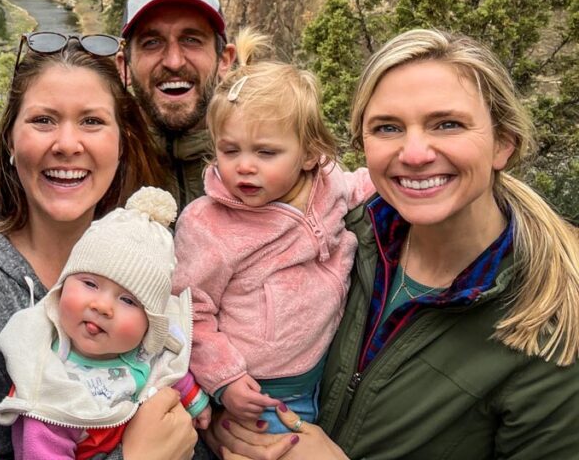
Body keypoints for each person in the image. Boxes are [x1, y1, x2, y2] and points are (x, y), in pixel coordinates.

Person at [208, 29, 579, 460]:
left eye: (448, 124)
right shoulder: (338, 238)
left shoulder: (552, 327)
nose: (416, 152)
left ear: (503, 143)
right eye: (388, 127)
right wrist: (224, 419)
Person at [0, 32, 199, 460]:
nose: (67, 144)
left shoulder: (158, 261)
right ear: (10, 140)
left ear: (122, 145)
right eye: (43, 120)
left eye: (92, 121)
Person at [172, 29, 374, 434]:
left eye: (266, 152)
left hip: (327, 369)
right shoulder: (207, 225)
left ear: (310, 153)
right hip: (257, 392)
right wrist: (224, 379)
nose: (244, 166)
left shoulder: (329, 184)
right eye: (230, 151)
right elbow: (188, 310)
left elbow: (367, 184)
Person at [0, 187, 212, 459]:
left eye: (128, 301)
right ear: (62, 286)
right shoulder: (51, 381)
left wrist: (196, 402)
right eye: (90, 284)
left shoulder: (146, 349)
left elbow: (168, 372)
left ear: (150, 323)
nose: (102, 306)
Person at [117, 0, 236, 210]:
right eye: (151, 42)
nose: (174, 61)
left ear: (224, 60)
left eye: (191, 39)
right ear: (124, 67)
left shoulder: (275, 164)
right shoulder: (98, 171)